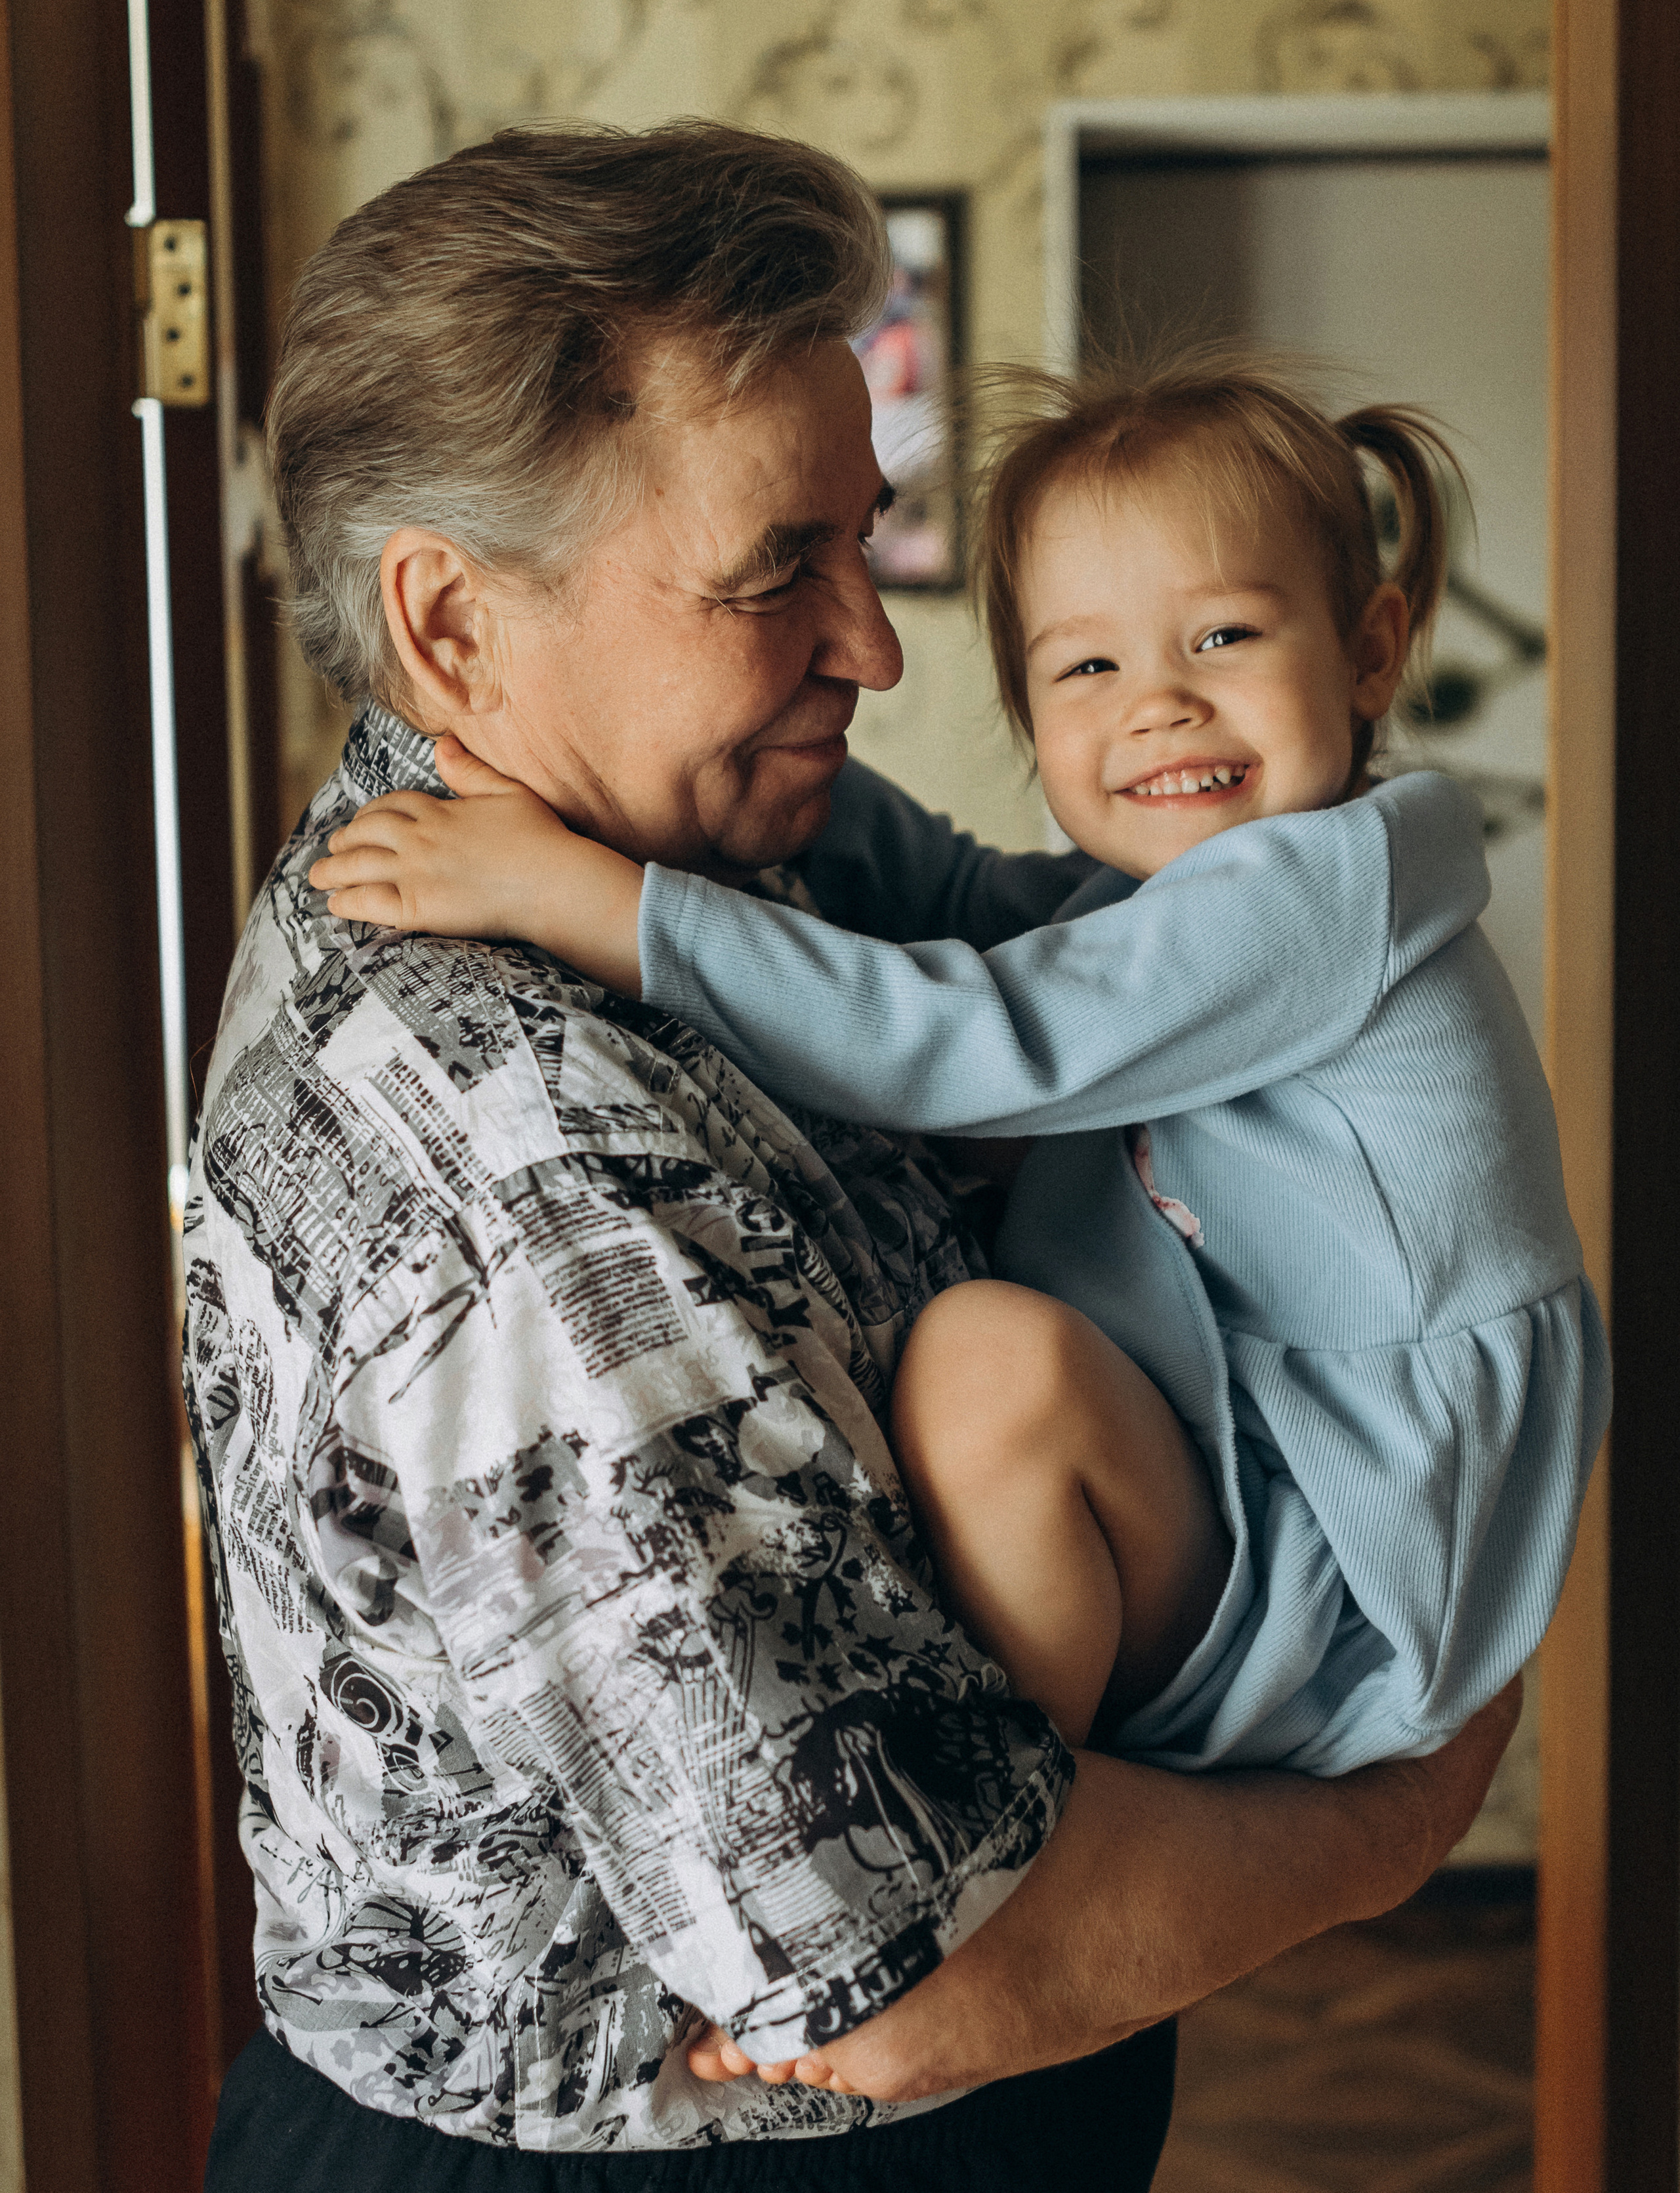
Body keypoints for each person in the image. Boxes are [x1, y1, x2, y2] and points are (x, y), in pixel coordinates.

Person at [191, 124, 1519, 2191]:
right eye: (772, 573)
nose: (880, 649)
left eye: (862, 541)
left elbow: (1013, 954)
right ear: (452, 632)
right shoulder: (529, 1179)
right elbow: (902, 1980)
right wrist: (1395, 1827)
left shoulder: (694, 850)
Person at [312, 343, 1606, 1799]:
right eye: (1088, 666)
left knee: (993, 1370)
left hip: (1344, 1545)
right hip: (1267, 1491)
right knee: (998, 1353)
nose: (1158, 705)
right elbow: (966, 901)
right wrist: (724, 746)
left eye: (1225, 640)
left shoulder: (1319, 895)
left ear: (1368, 651)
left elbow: (965, 1031)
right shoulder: (1188, 902)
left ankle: (988, 1845)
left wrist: (591, 902)